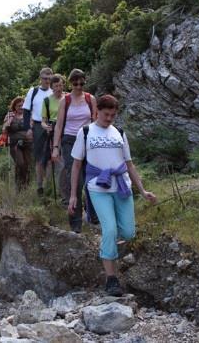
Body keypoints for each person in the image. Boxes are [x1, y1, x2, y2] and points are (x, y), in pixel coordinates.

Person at [69, 94, 157, 296]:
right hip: (97, 186)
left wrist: (142, 191)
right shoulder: (85, 132)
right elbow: (75, 166)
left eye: (113, 115)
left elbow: (129, 164)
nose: (109, 119)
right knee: (109, 230)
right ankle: (111, 279)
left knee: (128, 233)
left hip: (121, 185)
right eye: (106, 114)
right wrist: (74, 195)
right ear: (97, 111)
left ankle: (109, 250)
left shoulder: (120, 133)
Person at [52, 69, 97, 233]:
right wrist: (55, 147)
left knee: (91, 179)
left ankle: (93, 216)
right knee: (75, 181)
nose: (78, 86)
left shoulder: (90, 99)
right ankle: (76, 223)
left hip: (87, 140)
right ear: (71, 83)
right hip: (69, 142)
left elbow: (96, 121)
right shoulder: (66, 101)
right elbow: (59, 125)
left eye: (81, 83)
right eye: (75, 83)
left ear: (84, 82)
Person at [23, 67, 54, 196]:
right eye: (45, 78)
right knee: (39, 157)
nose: (47, 81)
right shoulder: (33, 91)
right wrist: (28, 129)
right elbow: (26, 110)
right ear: (40, 78)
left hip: (52, 125)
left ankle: (49, 186)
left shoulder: (54, 92)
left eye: (49, 79)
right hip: (37, 126)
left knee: (51, 157)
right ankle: (40, 186)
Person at [42, 74, 67, 203]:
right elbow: (43, 121)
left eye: (61, 85)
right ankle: (64, 196)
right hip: (55, 133)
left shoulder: (69, 98)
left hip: (69, 131)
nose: (59, 88)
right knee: (61, 165)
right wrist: (46, 127)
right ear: (51, 87)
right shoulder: (47, 101)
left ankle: (75, 193)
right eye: (56, 86)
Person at [3, 96, 32, 188]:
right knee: (20, 163)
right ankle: (19, 185)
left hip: (28, 142)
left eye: (22, 105)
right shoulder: (10, 115)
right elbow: (4, 129)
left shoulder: (29, 115)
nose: (21, 107)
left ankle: (26, 184)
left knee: (27, 164)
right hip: (15, 143)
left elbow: (33, 127)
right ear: (14, 106)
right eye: (19, 105)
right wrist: (8, 122)